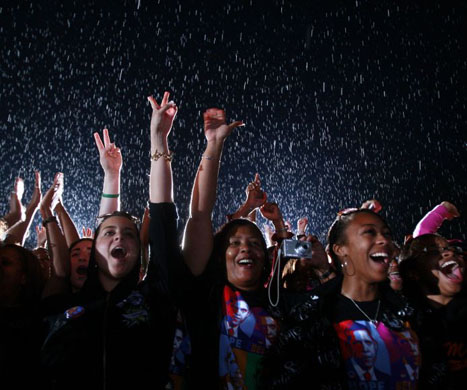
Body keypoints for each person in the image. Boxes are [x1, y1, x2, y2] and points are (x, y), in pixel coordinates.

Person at [40, 90, 184, 390]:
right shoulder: (66, 302)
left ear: (139, 250)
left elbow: (162, 217)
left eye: (129, 234)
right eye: (109, 234)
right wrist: (111, 176)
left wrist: (158, 141)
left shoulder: (155, 295)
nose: (119, 236)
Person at [260, 208, 420, 389]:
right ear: (340, 249)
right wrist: (284, 252)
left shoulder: (408, 313)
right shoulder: (310, 316)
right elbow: (271, 300)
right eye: (369, 232)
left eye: (386, 234)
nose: (383, 240)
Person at [181, 107, 278, 390]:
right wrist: (214, 146)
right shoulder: (208, 295)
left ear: (267, 258)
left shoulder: (281, 304)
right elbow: (199, 215)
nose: (244, 249)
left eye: (254, 244)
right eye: (234, 245)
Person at [399, 233, 466, 389]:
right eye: (433, 251)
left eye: (451, 249)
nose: (449, 253)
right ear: (412, 272)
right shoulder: (404, 323)